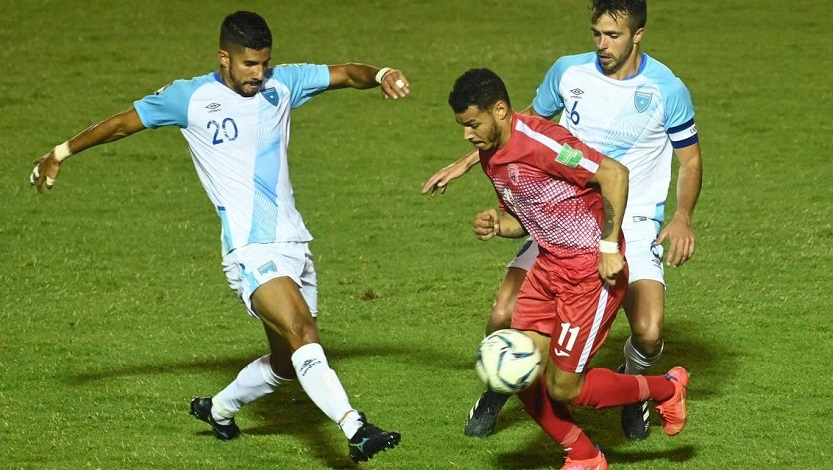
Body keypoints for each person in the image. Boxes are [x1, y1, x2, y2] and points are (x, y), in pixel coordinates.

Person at [29, 11, 407, 463]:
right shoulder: (190, 97)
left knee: (289, 362)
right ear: (224, 58)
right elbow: (122, 124)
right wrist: (61, 152)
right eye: (249, 64)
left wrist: (382, 73)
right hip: (250, 250)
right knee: (304, 331)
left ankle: (219, 409)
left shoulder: (282, 84)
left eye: (264, 63)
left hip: (295, 243)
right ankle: (356, 426)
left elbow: (346, 74)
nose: (259, 74)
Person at [424, 0, 702, 440]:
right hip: (561, 212)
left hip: (630, 219)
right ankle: (502, 385)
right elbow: (519, 129)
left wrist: (683, 216)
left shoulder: (667, 89)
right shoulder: (569, 73)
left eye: (612, 35)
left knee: (648, 333)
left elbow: (689, 161)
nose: (602, 44)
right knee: (501, 317)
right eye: (596, 33)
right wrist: (466, 162)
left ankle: (637, 391)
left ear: (638, 34)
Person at [448, 67, 689, 469]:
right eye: (463, 126)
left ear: (501, 110)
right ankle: (584, 455)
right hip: (548, 268)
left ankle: (665, 390)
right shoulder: (493, 156)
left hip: (589, 274)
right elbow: (526, 217)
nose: (467, 136)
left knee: (564, 387)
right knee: (518, 367)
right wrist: (498, 223)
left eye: (473, 124)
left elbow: (613, 173)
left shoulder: (544, 142)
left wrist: (610, 245)